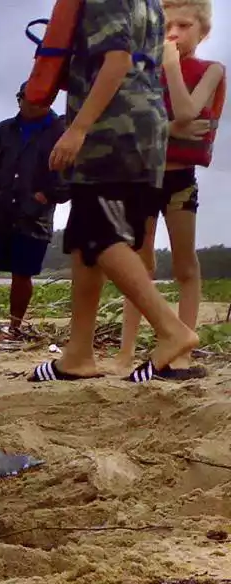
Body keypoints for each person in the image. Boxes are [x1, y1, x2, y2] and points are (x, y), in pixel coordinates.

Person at [29, 0, 198, 383]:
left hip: (112, 130)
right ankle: (78, 354)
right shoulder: (149, 3)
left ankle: (172, 330)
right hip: (146, 126)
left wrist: (78, 128)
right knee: (87, 242)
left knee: (96, 233)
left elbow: (117, 60)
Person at [115, 0, 225, 378]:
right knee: (139, 264)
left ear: (203, 31)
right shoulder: (141, 71)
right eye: (166, 27)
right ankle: (125, 352)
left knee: (185, 264)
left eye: (184, 26)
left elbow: (186, 111)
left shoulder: (212, 70)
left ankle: (183, 350)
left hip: (180, 180)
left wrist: (172, 65)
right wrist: (171, 130)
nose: (174, 34)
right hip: (143, 178)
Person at [0, 82, 69, 340]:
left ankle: (15, 327)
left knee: (23, 272)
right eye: (28, 98)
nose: (33, 104)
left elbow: (71, 172)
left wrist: (47, 195)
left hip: (35, 215)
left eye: (41, 98)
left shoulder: (62, 133)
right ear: (19, 99)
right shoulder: (2, 131)